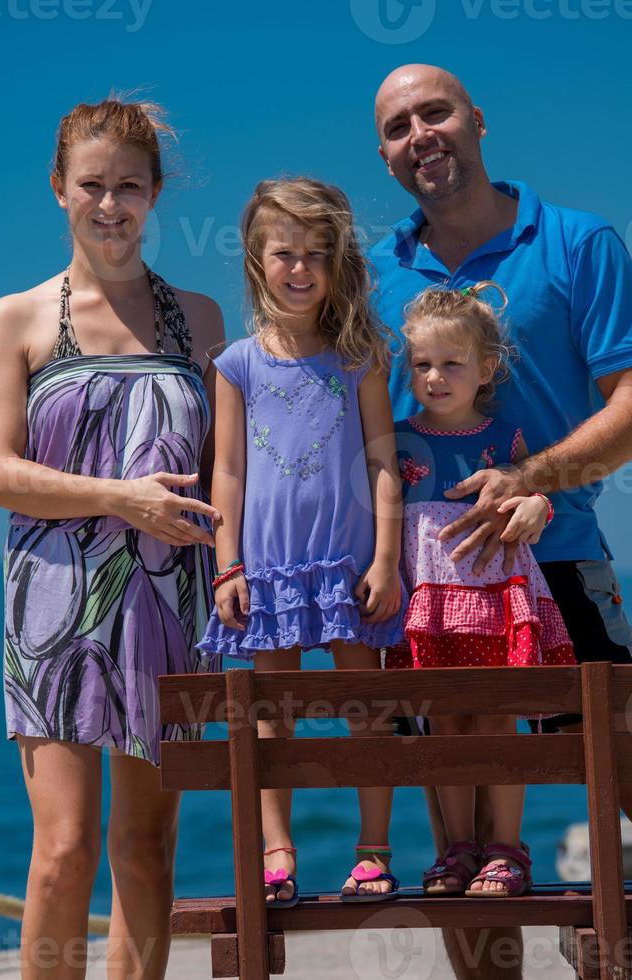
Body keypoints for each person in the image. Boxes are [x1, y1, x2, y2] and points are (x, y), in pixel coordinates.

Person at [370, 62, 632, 978]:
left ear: (477, 120)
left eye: (434, 113)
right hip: (438, 597)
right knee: (468, 843)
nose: (421, 135)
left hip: (563, 565)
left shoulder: (577, 243)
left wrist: (535, 477)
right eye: (399, 127)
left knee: (623, 778)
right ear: (386, 155)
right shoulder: (375, 275)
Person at [0, 99, 224, 979]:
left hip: (171, 607)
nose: (110, 204)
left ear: (156, 193)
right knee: (64, 848)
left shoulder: (198, 319)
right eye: (92, 185)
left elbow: (227, 472)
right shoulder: (16, 318)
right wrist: (118, 498)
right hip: (50, 608)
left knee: (147, 848)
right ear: (58, 190)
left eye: (129, 186)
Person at [197, 177, 406, 906]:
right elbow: (224, 471)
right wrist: (228, 566)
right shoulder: (236, 364)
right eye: (284, 252)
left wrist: (386, 559)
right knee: (267, 714)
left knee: (366, 705)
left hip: (350, 567)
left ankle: (374, 850)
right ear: (257, 260)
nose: (300, 267)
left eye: (318, 252)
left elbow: (383, 459)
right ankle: (275, 852)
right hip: (268, 571)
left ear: (338, 260)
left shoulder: (361, 356)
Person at [387, 282, 575, 897]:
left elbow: (534, 501)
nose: (435, 377)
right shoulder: (396, 436)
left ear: (486, 368)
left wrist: (537, 504)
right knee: (444, 721)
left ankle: (505, 850)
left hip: (497, 599)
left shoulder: (504, 438)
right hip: (430, 604)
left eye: (451, 363)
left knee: (497, 717)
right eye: (421, 365)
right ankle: (459, 849)